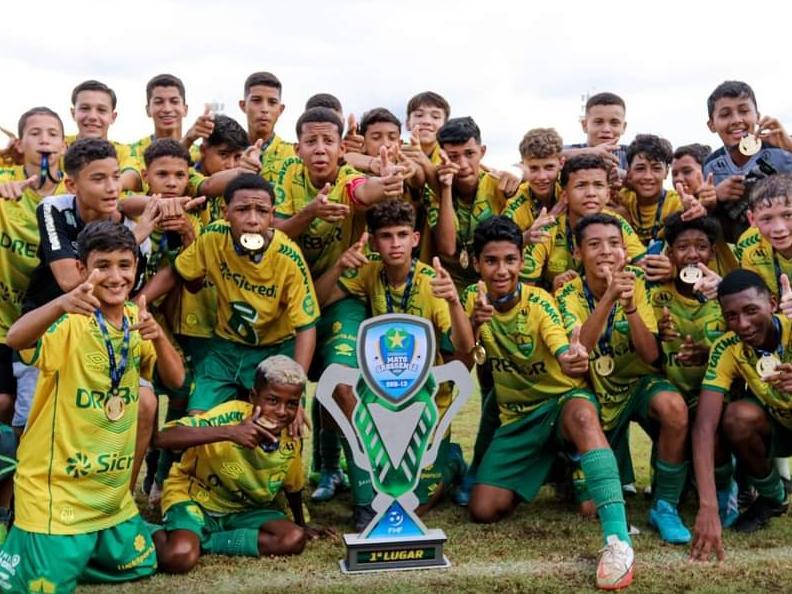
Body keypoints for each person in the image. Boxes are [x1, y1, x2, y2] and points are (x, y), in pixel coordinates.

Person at [0, 221, 184, 592]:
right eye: (103, 265)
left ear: (136, 268)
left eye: (124, 265)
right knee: (39, 586)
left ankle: (79, 551)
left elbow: (177, 381)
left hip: (108, 497)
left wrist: (159, 337)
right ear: (82, 270)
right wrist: (59, 304)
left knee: (139, 564)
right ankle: (27, 536)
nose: (115, 276)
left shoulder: (136, 319)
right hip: (59, 495)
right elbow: (15, 337)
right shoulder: (70, 321)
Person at [465, 216, 633, 591]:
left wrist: (570, 357)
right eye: (491, 261)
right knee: (484, 510)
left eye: (510, 259)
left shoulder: (539, 300)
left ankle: (618, 543)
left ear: (522, 260)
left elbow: (562, 347)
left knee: (583, 414)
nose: (502, 269)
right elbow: (462, 360)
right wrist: (473, 324)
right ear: (477, 264)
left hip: (560, 405)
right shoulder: (472, 301)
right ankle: (561, 464)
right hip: (518, 419)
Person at [314, 199, 474, 529]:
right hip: (382, 397)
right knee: (337, 387)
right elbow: (315, 302)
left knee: (414, 505)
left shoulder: (432, 283)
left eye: (402, 235)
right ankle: (341, 476)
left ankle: (452, 462)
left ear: (415, 238)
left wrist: (455, 303)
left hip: (426, 401)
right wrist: (339, 267)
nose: (395, 244)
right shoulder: (369, 272)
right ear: (374, 241)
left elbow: (463, 349)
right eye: (386, 236)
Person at [556, 213, 692, 544]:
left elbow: (650, 356)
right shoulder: (566, 294)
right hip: (596, 394)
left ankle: (665, 504)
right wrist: (608, 297)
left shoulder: (640, 282)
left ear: (625, 250)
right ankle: (574, 472)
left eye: (614, 243)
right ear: (577, 253)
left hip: (637, 386)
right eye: (594, 244)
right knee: (591, 507)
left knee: (673, 406)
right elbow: (581, 349)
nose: (606, 251)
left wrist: (630, 308)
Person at [146, 173, 318, 416]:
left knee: (280, 423)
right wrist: (136, 302)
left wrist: (296, 388)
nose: (252, 220)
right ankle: (169, 454)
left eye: (261, 211)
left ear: (272, 215)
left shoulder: (288, 257)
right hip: (225, 349)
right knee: (198, 419)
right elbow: (177, 272)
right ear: (225, 212)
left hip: (276, 349)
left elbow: (306, 327)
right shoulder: (214, 237)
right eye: (242, 210)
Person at [153, 355, 330, 572]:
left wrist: (302, 524)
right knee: (178, 558)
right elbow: (162, 438)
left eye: (292, 404)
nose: (282, 412)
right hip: (195, 500)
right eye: (273, 400)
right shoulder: (229, 415)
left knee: (293, 538)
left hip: (244, 511)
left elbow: (293, 485)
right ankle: (150, 531)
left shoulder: (290, 435)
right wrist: (229, 432)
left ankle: (206, 541)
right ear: (254, 397)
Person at [691, 270, 792, 563]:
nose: (742, 324)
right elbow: (704, 428)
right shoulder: (727, 348)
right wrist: (707, 506)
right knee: (736, 417)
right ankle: (773, 499)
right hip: (776, 427)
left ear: (772, 303)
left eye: (751, 311)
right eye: (731, 316)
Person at [517, 155, 646, 291]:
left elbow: (643, 268)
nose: (591, 193)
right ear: (565, 195)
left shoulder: (616, 224)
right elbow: (525, 291)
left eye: (598, 185)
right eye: (581, 186)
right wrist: (552, 292)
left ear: (607, 194)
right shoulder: (546, 229)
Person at [431, 116, 524, 291]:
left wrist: (520, 170)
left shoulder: (499, 185)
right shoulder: (435, 189)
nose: (463, 164)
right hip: (451, 286)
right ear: (441, 156)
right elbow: (448, 249)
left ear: (482, 151)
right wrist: (445, 188)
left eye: (469, 154)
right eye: (453, 157)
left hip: (494, 284)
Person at [703, 81, 792, 242]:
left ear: (757, 116)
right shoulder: (710, 166)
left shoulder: (783, 150)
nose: (736, 120)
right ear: (712, 125)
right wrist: (715, 196)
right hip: (740, 250)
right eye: (725, 114)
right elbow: (705, 214)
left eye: (744, 111)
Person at [619, 134, 683, 246]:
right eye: (640, 169)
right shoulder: (620, 199)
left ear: (667, 172)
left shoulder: (677, 203)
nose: (648, 176)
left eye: (656, 168)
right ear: (629, 172)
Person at [238, 71, 295, 183]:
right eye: (256, 101)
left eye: (272, 102)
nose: (264, 109)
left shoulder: (295, 155)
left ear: (280, 109)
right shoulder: (226, 152)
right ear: (243, 106)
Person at [564, 92, 629, 171]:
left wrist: (625, 177)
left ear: (623, 127)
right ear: (584, 125)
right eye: (598, 122)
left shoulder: (630, 155)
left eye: (614, 123)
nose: (606, 129)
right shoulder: (569, 151)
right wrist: (589, 153)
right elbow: (548, 157)